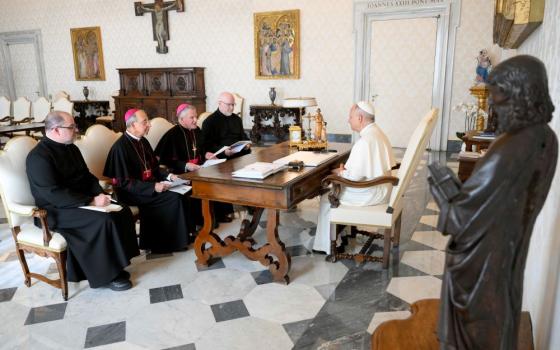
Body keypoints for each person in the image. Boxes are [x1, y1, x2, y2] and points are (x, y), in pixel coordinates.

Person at [429, 55, 557, 349]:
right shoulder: (546, 138)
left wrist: (443, 185)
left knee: (480, 330)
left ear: (520, 95)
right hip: (507, 252)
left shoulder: (508, 149)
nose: (493, 109)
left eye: (499, 100)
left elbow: (459, 221)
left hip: (481, 264)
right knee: (502, 317)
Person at [26, 111, 139, 291]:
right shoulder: (38, 157)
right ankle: (107, 275)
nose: (76, 130)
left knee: (121, 210)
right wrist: (91, 201)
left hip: (80, 200)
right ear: (55, 130)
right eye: (71, 127)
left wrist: (102, 195)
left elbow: (87, 177)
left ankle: (118, 264)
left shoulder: (71, 148)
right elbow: (53, 194)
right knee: (102, 220)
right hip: (54, 210)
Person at [104, 109, 199, 252]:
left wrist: (170, 177)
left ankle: (183, 235)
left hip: (148, 186)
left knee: (183, 190)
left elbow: (154, 169)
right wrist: (153, 187)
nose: (149, 125)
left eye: (148, 121)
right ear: (132, 125)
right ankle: (164, 243)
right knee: (173, 197)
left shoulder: (143, 142)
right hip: (130, 192)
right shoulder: (120, 148)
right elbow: (123, 182)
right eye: (145, 122)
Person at [313, 101, 396, 254]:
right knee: (334, 188)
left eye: (350, 117)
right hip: (383, 187)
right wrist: (345, 171)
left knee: (327, 197)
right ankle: (342, 234)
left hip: (372, 192)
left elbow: (354, 179)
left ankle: (328, 246)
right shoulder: (377, 132)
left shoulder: (365, 141)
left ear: (359, 118)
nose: (348, 120)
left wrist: (339, 174)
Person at [201, 91, 251, 159]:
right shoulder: (209, 122)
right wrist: (223, 151)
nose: (232, 108)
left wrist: (247, 144)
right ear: (219, 103)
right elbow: (207, 146)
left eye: (233, 104)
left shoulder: (237, 119)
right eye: (229, 104)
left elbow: (243, 136)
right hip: (222, 158)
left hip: (240, 155)